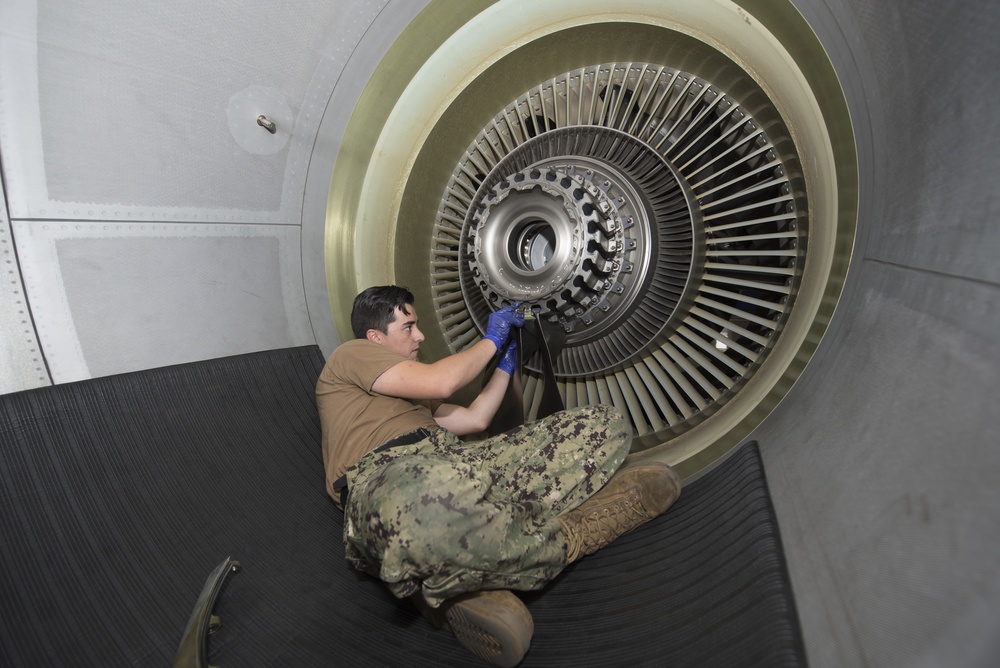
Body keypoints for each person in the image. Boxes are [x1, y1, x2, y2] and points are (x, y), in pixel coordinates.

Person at [316, 285, 681, 666]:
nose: (420, 335)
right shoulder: (350, 355)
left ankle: (463, 575)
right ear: (375, 337)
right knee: (434, 502)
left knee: (605, 425)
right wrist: (490, 340)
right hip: (390, 478)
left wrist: (507, 364)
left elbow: (476, 419)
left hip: (458, 463)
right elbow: (441, 381)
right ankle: (576, 534)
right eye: (409, 326)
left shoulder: (416, 400)